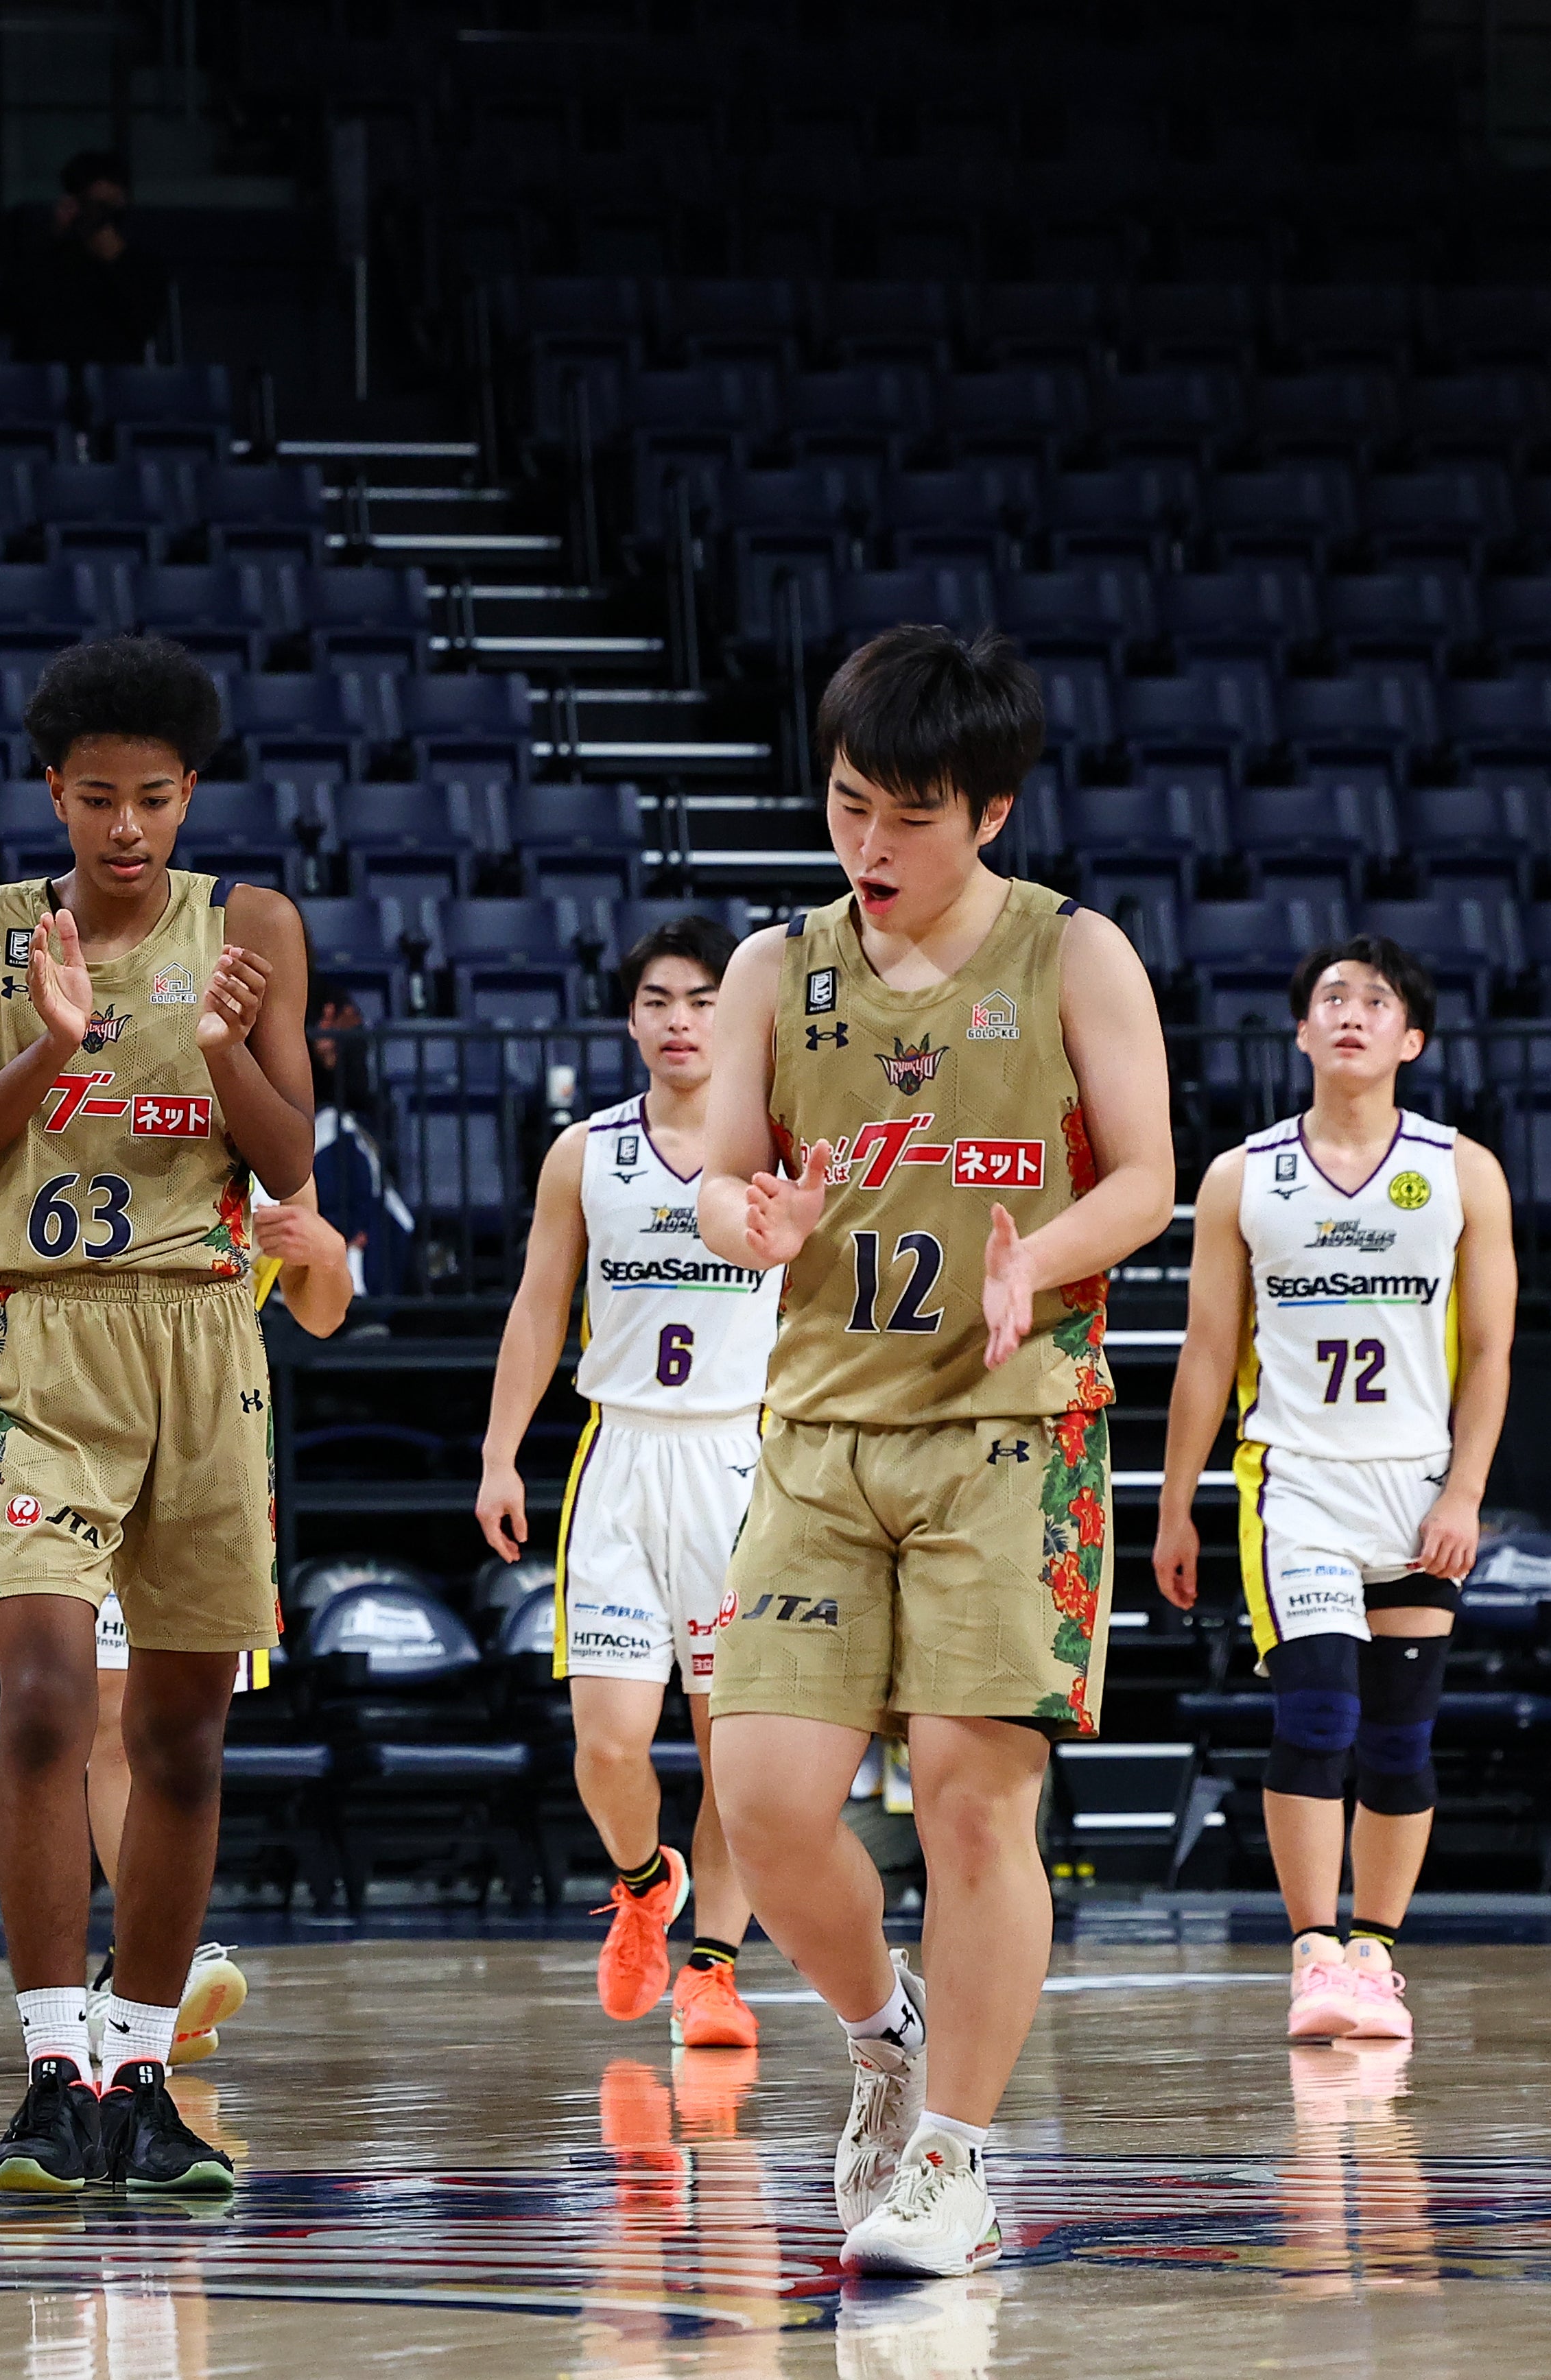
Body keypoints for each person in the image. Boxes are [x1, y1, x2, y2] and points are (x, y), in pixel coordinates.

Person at [694, 625, 1174, 2277]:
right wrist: (747, 1219)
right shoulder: (773, 969)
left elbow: (1144, 1176)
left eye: (907, 817)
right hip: (818, 1430)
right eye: (846, 805)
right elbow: (716, 1172)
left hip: (1005, 1431)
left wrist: (1040, 1259)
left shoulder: (1072, 953)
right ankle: (882, 2027)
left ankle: (951, 2162)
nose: (868, 845)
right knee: (762, 1806)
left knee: (975, 1802)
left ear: (987, 811)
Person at [0, 634, 312, 2196]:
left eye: (150, 797)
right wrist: (53, 1046)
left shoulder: (250, 926)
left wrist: (218, 1049)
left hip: (199, 1337)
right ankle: (48, 2069)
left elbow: (287, 1161)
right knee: (45, 1698)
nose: (124, 826)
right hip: (33, 1334)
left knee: (184, 1733)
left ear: (188, 793)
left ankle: (140, 2073)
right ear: (51, 794)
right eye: (94, 798)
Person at [1155, 936, 1513, 2045]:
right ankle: (1312, 1955)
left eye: (1375, 1001)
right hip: (1295, 1483)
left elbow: (1490, 1352)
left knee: (1399, 1740)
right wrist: (1173, 1504)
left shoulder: (1460, 1170)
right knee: (1316, 1714)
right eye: (1330, 998)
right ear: (1301, 1031)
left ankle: (1373, 1957)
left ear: (1412, 1038)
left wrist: (1463, 1494)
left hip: (1415, 1486)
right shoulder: (1241, 1175)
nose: (1350, 1013)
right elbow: (1205, 1352)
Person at [474, 918, 777, 2053]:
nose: (680, 1020)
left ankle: (713, 1969)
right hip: (619, 1455)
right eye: (658, 1000)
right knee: (605, 1744)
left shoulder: (780, 1147)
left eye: (701, 1000)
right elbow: (536, 1308)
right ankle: (646, 1880)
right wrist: (499, 1453)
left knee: (731, 1745)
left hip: (739, 1460)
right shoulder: (584, 1151)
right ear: (630, 1018)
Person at [76, 1169, 357, 2069]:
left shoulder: (258, 1137)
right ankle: (141, 1959)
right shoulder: (86, 1114)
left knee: (174, 1732)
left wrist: (326, 1255)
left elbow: (321, 1313)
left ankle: (140, 1963)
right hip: (78, 1428)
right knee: (106, 1724)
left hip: (205, 1450)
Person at [0, 150, 171, 370]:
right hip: (50, 375)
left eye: (104, 207)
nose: (95, 216)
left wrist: (114, 261)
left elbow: (143, 323)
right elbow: (9, 314)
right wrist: (54, 240)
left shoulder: (143, 266)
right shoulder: (48, 258)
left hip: (115, 377)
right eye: (89, 205)